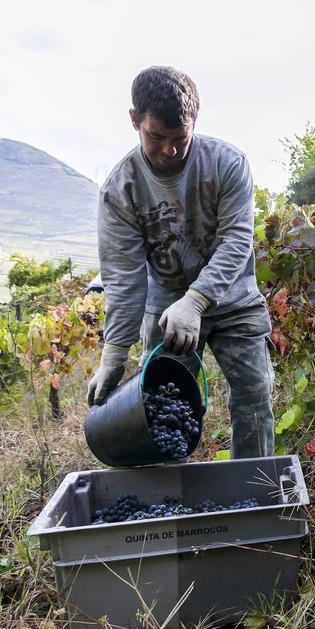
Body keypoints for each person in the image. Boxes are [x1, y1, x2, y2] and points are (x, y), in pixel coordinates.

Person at [86, 65, 274, 459]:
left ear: (194, 122)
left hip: (233, 299)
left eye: (180, 138)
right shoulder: (122, 190)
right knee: (160, 408)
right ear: (134, 120)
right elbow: (124, 278)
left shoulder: (227, 164)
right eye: (157, 137)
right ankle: (174, 503)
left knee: (254, 397)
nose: (170, 149)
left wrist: (197, 300)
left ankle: (254, 491)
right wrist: (114, 356)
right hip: (166, 308)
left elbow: (237, 239)